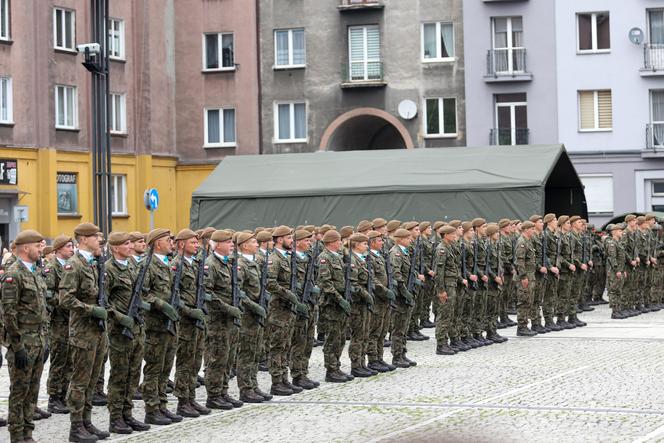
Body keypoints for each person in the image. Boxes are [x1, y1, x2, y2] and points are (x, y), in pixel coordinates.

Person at [59, 223, 110, 441]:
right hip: (83, 332)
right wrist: (91, 310)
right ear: (83, 239)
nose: (99, 239)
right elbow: (65, 299)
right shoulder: (74, 265)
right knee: (80, 381)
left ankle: (87, 421)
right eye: (95, 236)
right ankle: (76, 426)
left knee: (92, 380)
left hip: (98, 331)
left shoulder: (94, 263)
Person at [2, 230, 49, 443]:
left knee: (33, 391)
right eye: (38, 246)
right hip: (23, 344)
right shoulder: (14, 274)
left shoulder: (35, 273)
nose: (41, 249)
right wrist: (17, 345)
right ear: (25, 248)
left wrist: (45, 339)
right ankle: (17, 435)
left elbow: (42, 310)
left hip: (38, 341)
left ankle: (28, 433)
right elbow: (8, 314)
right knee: (19, 392)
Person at [104, 232, 151, 434]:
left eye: (132, 243)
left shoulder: (133, 265)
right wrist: (119, 317)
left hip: (137, 328)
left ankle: (127, 414)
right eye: (126, 244)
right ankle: (115, 418)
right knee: (119, 375)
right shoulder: (108, 270)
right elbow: (103, 302)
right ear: (115, 248)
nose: (131, 246)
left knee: (133, 374)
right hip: (119, 332)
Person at [141, 228, 182, 426]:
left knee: (166, 368)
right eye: (168, 240)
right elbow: (143, 293)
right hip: (155, 325)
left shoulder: (166, 264)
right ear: (157, 244)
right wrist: (161, 304)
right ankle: (151, 409)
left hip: (170, 325)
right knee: (153, 369)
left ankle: (162, 406)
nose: (171, 243)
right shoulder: (148, 265)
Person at [171, 229, 210, 419]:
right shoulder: (176, 265)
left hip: (198, 319)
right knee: (185, 362)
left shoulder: (195, 264)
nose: (197, 245)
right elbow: (174, 296)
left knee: (195, 361)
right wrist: (189, 311)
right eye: (192, 243)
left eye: (197, 242)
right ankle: (182, 401)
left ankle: (191, 397)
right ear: (181, 244)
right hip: (185, 321)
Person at [204, 230, 244, 409]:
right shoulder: (210, 264)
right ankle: (213, 395)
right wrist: (227, 308)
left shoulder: (229, 263)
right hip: (217, 320)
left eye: (232, 242)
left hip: (230, 320)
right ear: (218, 244)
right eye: (228, 242)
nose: (231, 245)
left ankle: (223, 392)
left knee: (228, 358)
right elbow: (207, 293)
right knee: (217, 359)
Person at [266, 226, 304, 396]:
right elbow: (270, 283)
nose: (292, 240)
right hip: (279, 308)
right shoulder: (274, 259)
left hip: (289, 308)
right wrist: (288, 294)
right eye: (289, 238)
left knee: (286, 344)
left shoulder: (288, 258)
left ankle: (284, 379)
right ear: (280, 239)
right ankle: (276, 382)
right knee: (277, 345)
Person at [236, 232, 270, 403]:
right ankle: (245, 389)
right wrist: (254, 306)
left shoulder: (254, 263)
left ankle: (254, 385)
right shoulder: (240, 265)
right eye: (253, 242)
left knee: (256, 352)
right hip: (247, 315)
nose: (257, 244)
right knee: (246, 353)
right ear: (244, 245)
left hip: (257, 314)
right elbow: (239, 293)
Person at [44, 235, 75, 415]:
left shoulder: (70, 267)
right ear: (58, 250)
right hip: (58, 322)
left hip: (71, 320)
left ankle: (64, 394)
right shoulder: (52, 268)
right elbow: (48, 294)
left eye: (72, 246)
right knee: (58, 360)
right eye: (68, 246)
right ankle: (54, 398)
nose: (72, 249)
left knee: (69, 359)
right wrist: (65, 301)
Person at [317, 229, 353, 382]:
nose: (340, 243)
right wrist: (340, 300)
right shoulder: (324, 258)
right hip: (331, 304)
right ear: (331, 242)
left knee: (340, 338)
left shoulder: (336, 257)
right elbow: (326, 284)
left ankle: (336, 366)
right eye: (338, 241)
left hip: (339, 303)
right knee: (332, 338)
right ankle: (331, 370)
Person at [389, 228, 419, 368]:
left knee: (404, 326)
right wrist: (404, 291)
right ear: (400, 239)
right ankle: (396, 356)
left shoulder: (404, 252)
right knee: (398, 327)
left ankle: (402, 353)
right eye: (407, 238)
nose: (410, 240)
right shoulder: (396, 253)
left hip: (407, 293)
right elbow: (396, 275)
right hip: (400, 296)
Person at [515, 220, 537, 337]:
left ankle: (525, 325)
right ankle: (521, 327)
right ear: (526, 230)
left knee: (528, 300)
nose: (534, 231)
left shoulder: (528, 241)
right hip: (524, 276)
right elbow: (519, 261)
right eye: (532, 229)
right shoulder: (522, 242)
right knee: (523, 301)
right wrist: (523, 276)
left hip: (530, 275)